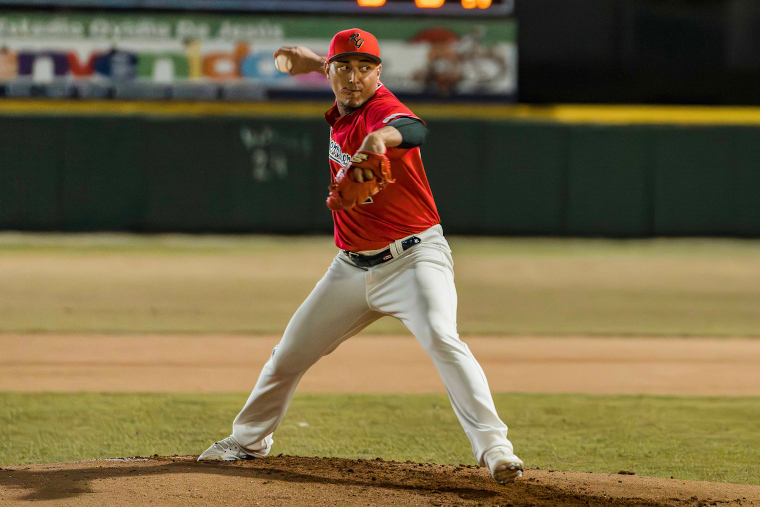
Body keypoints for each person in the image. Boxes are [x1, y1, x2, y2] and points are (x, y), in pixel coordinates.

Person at [197, 28, 523, 484]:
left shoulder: (383, 110)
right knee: (289, 353)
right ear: (330, 70)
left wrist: (378, 142)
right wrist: (311, 62)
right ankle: (249, 440)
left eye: (366, 68)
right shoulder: (340, 96)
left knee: (441, 338)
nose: (356, 78)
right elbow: (328, 70)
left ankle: (496, 450)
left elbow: (413, 129)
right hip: (350, 268)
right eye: (345, 67)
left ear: (379, 73)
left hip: (414, 259)